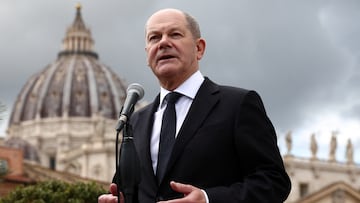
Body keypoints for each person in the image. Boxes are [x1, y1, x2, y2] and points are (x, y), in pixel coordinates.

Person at [98, 8, 291, 203]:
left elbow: (274, 182)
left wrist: (208, 199)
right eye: (154, 38)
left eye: (175, 34)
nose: (164, 42)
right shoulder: (135, 120)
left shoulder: (238, 104)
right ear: (148, 54)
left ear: (199, 48)